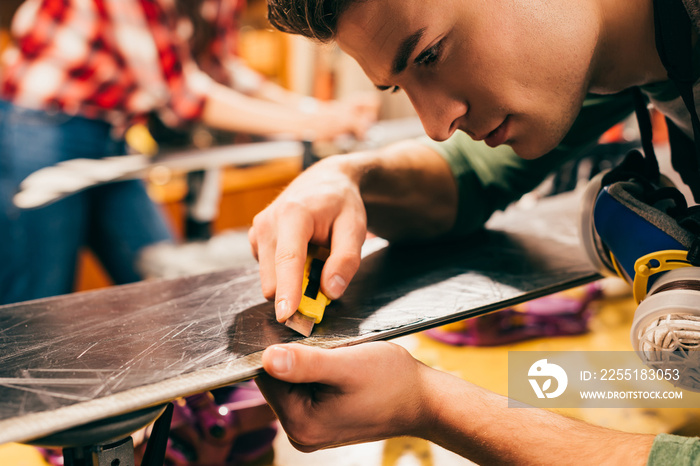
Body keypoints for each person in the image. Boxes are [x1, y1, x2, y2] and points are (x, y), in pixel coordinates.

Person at [248, 0, 700, 462]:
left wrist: (428, 404)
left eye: (429, 54)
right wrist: (347, 178)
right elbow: (473, 176)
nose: (436, 125)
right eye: (401, 88)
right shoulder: (620, 47)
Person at [0, 0, 375, 305]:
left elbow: (223, 69)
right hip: (38, 124)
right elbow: (182, 97)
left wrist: (317, 112)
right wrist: (313, 124)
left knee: (166, 291)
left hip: (112, 130)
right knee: (38, 300)